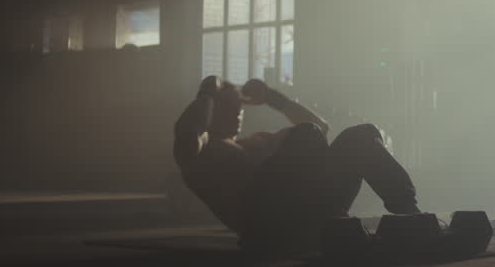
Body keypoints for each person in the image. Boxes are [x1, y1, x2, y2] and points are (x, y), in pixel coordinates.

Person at [172, 75, 421, 254]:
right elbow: (187, 135)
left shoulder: (255, 141)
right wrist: (207, 89)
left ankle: (412, 214)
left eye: (239, 108)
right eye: (229, 108)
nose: (238, 113)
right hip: (265, 224)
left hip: (308, 209)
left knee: (359, 136)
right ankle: (325, 226)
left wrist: (273, 98)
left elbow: (322, 129)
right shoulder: (202, 151)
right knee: (306, 134)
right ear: (211, 110)